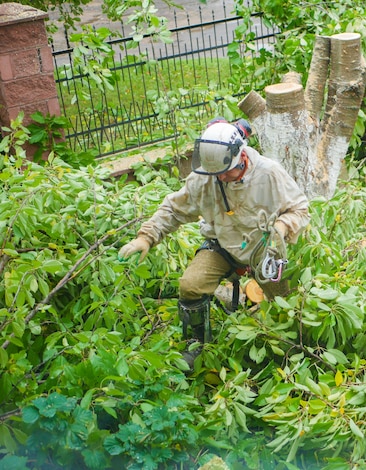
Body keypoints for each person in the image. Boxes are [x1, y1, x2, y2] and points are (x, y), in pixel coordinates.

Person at [118, 118, 310, 364]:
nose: (220, 178)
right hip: (221, 244)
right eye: (215, 173)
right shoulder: (205, 178)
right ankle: (196, 344)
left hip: (264, 247)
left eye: (225, 172)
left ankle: (291, 347)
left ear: (241, 156)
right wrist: (146, 237)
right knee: (190, 285)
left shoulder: (269, 173)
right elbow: (174, 209)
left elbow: (300, 209)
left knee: (286, 302)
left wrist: (281, 228)